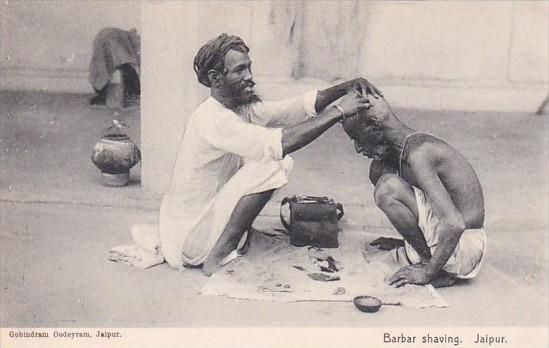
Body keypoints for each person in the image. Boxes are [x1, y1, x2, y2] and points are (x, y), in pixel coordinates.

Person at [159, 33, 382, 276]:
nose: (249, 77)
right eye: (240, 70)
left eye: (249, 68)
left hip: (200, 223)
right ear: (215, 78)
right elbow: (280, 143)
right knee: (272, 163)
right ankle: (218, 254)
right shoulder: (212, 118)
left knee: (271, 162)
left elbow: (293, 109)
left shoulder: (238, 107)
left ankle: (229, 240)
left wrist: (345, 87)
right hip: (191, 239)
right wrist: (339, 111)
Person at [342, 96, 486, 288]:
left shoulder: (420, 153)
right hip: (450, 243)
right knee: (379, 171)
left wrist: (428, 273)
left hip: (463, 248)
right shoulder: (406, 148)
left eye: (357, 138)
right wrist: (407, 237)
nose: (358, 148)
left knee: (388, 188)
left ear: (375, 126)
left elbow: (454, 224)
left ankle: (433, 267)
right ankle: (420, 252)